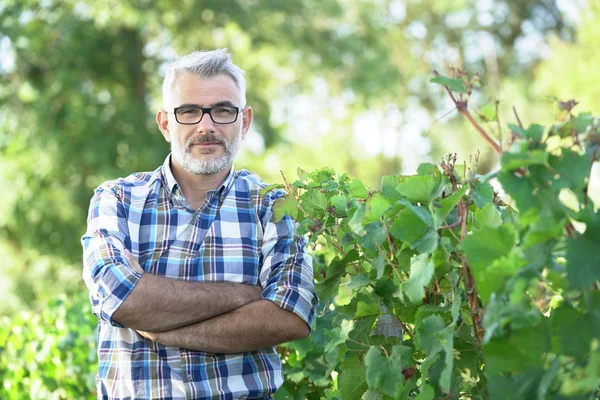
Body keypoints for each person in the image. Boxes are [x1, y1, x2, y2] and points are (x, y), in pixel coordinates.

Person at [81, 49, 318, 399]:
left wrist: (160, 327)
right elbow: (119, 297)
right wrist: (246, 296)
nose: (206, 126)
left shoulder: (274, 206)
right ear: (165, 123)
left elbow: (291, 316)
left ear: (245, 121)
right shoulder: (117, 199)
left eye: (223, 110)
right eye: (189, 111)